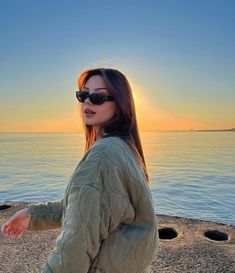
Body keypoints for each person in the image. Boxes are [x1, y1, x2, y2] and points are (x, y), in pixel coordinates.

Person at [1, 67, 159, 273]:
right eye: (83, 95)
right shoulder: (123, 148)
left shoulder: (103, 155)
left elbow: (75, 245)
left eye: (98, 97)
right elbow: (89, 206)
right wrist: (33, 214)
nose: (88, 102)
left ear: (120, 105)